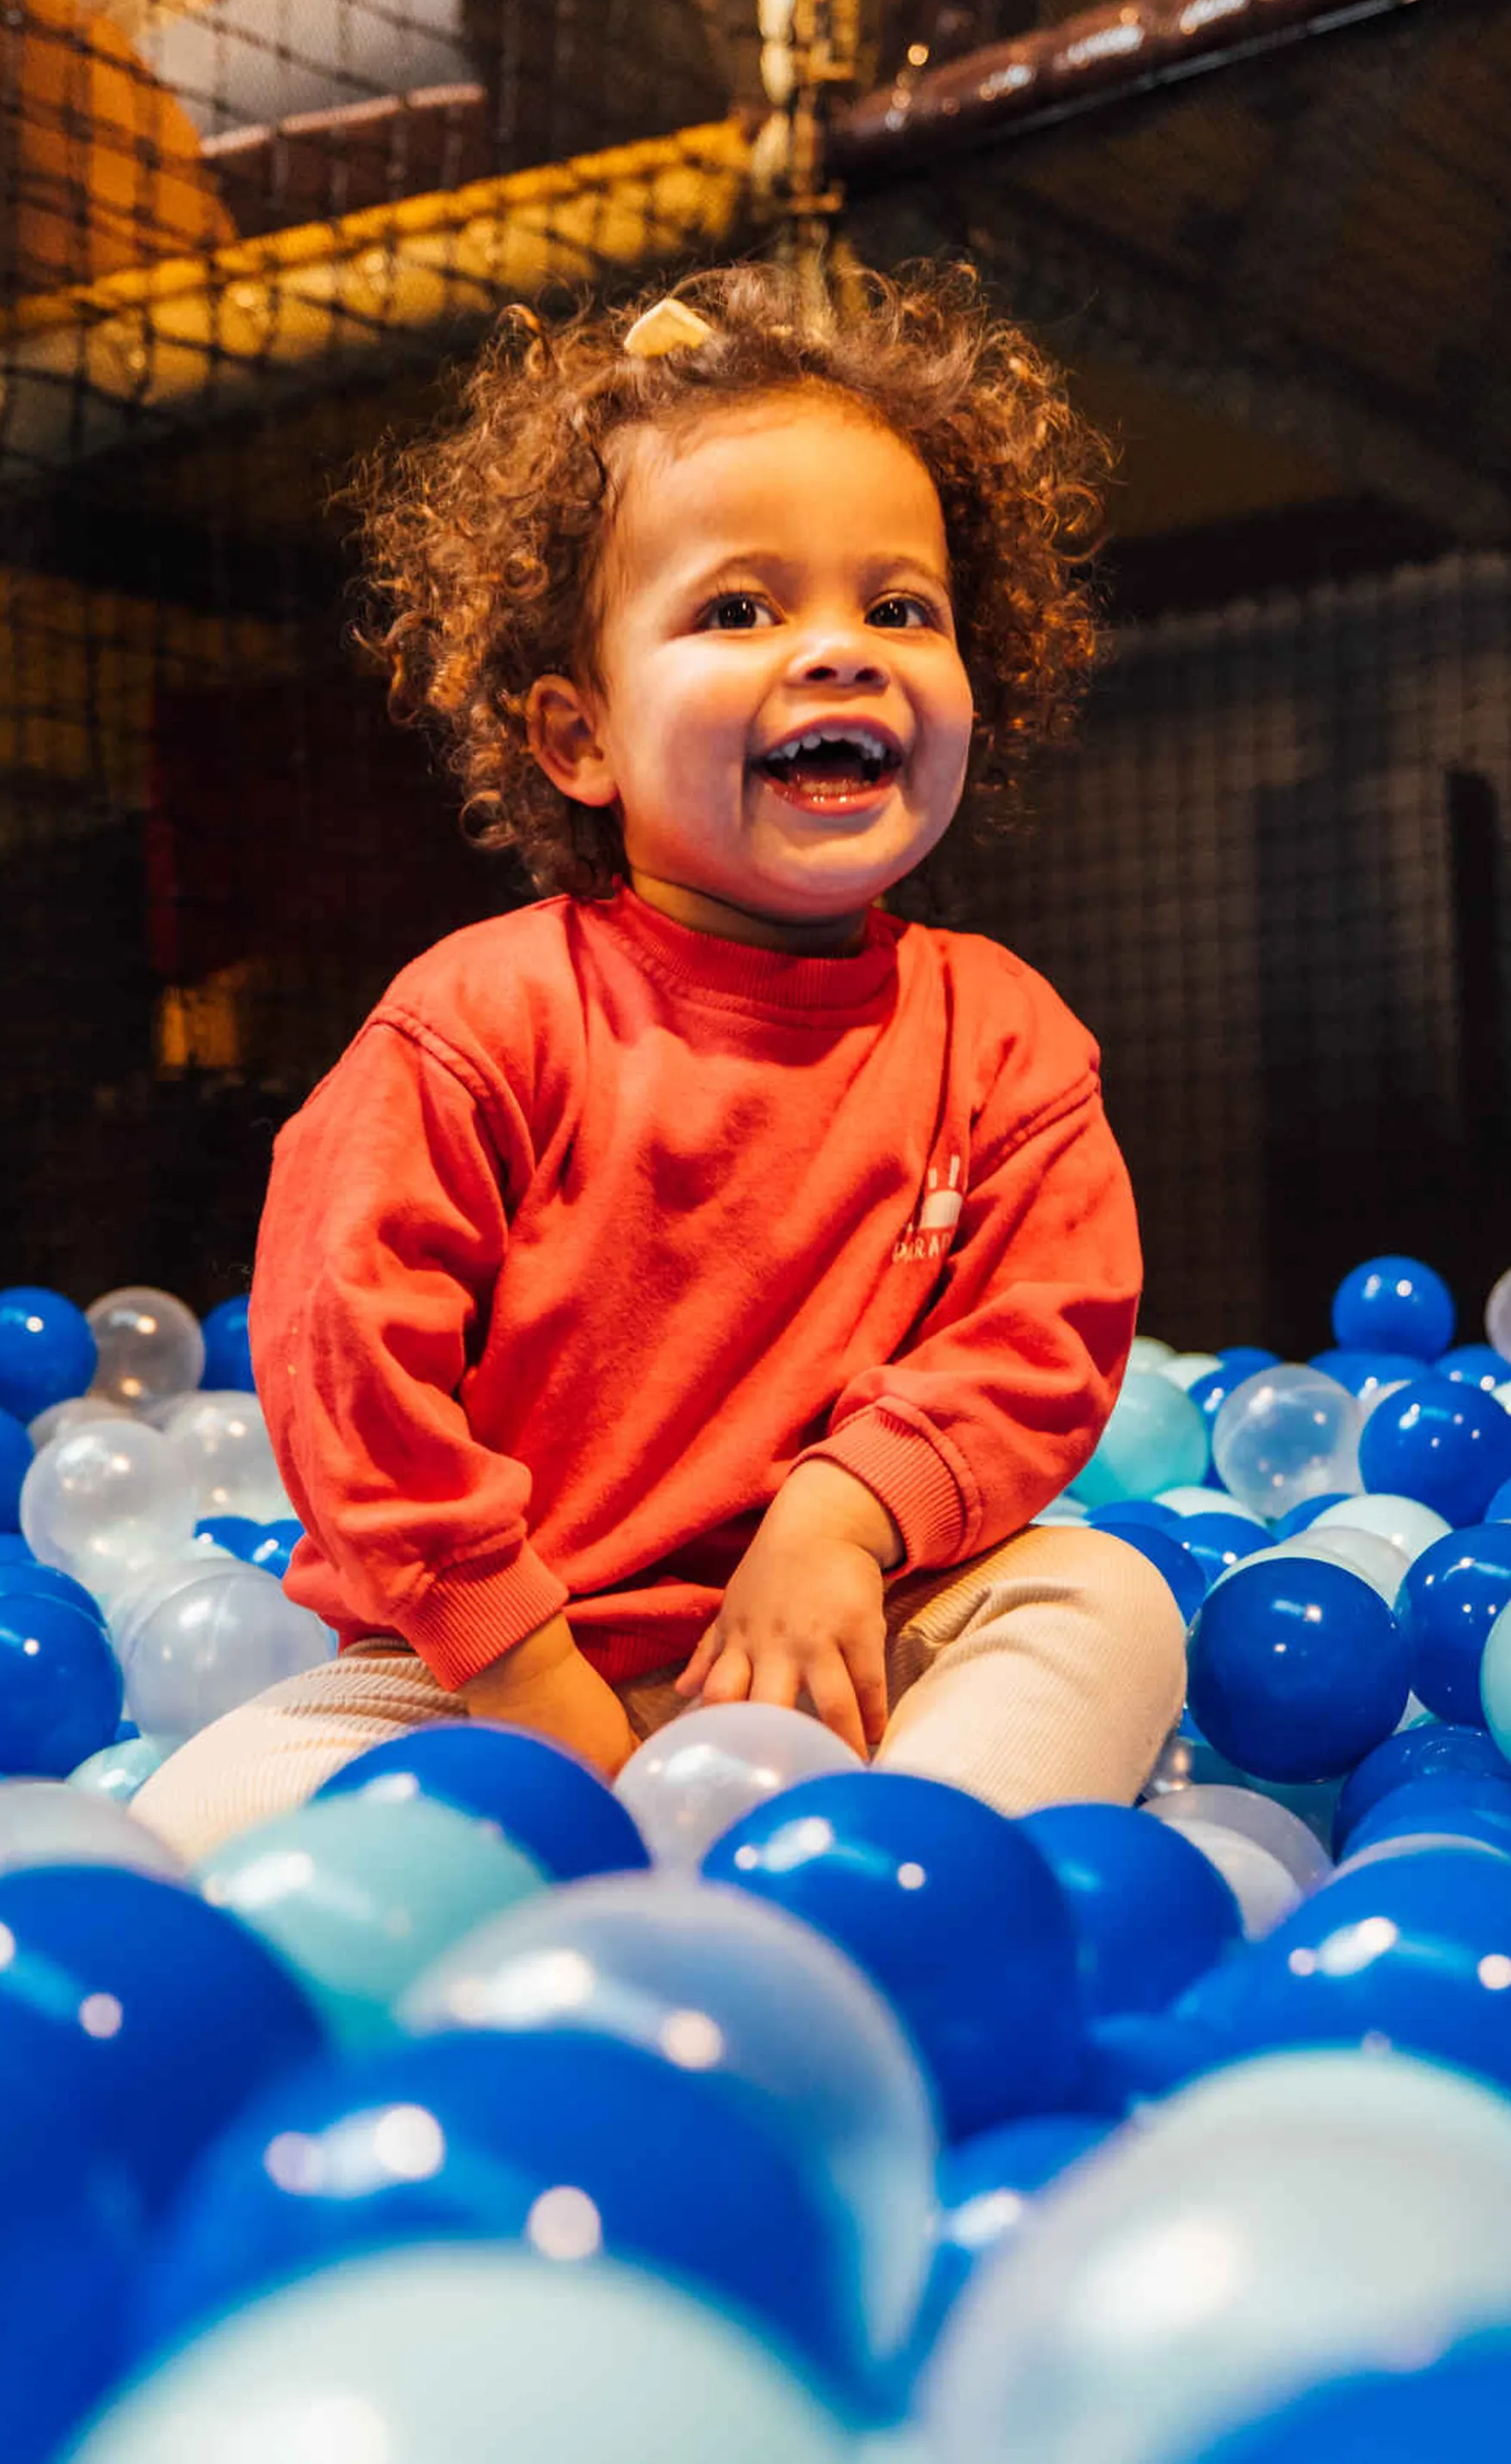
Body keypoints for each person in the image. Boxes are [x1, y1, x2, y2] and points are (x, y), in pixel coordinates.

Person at [136, 258, 1188, 1857]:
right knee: (204, 1822)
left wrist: (842, 1520)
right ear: (583, 738)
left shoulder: (1003, 1038)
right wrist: (519, 1665)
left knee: (1106, 1600)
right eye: (740, 610)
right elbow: (349, 1351)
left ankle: (891, 1880)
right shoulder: (479, 1022)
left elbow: (1042, 1337)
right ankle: (651, 1892)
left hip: (851, 1642)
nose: (840, 651)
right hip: (476, 1673)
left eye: (899, 607)